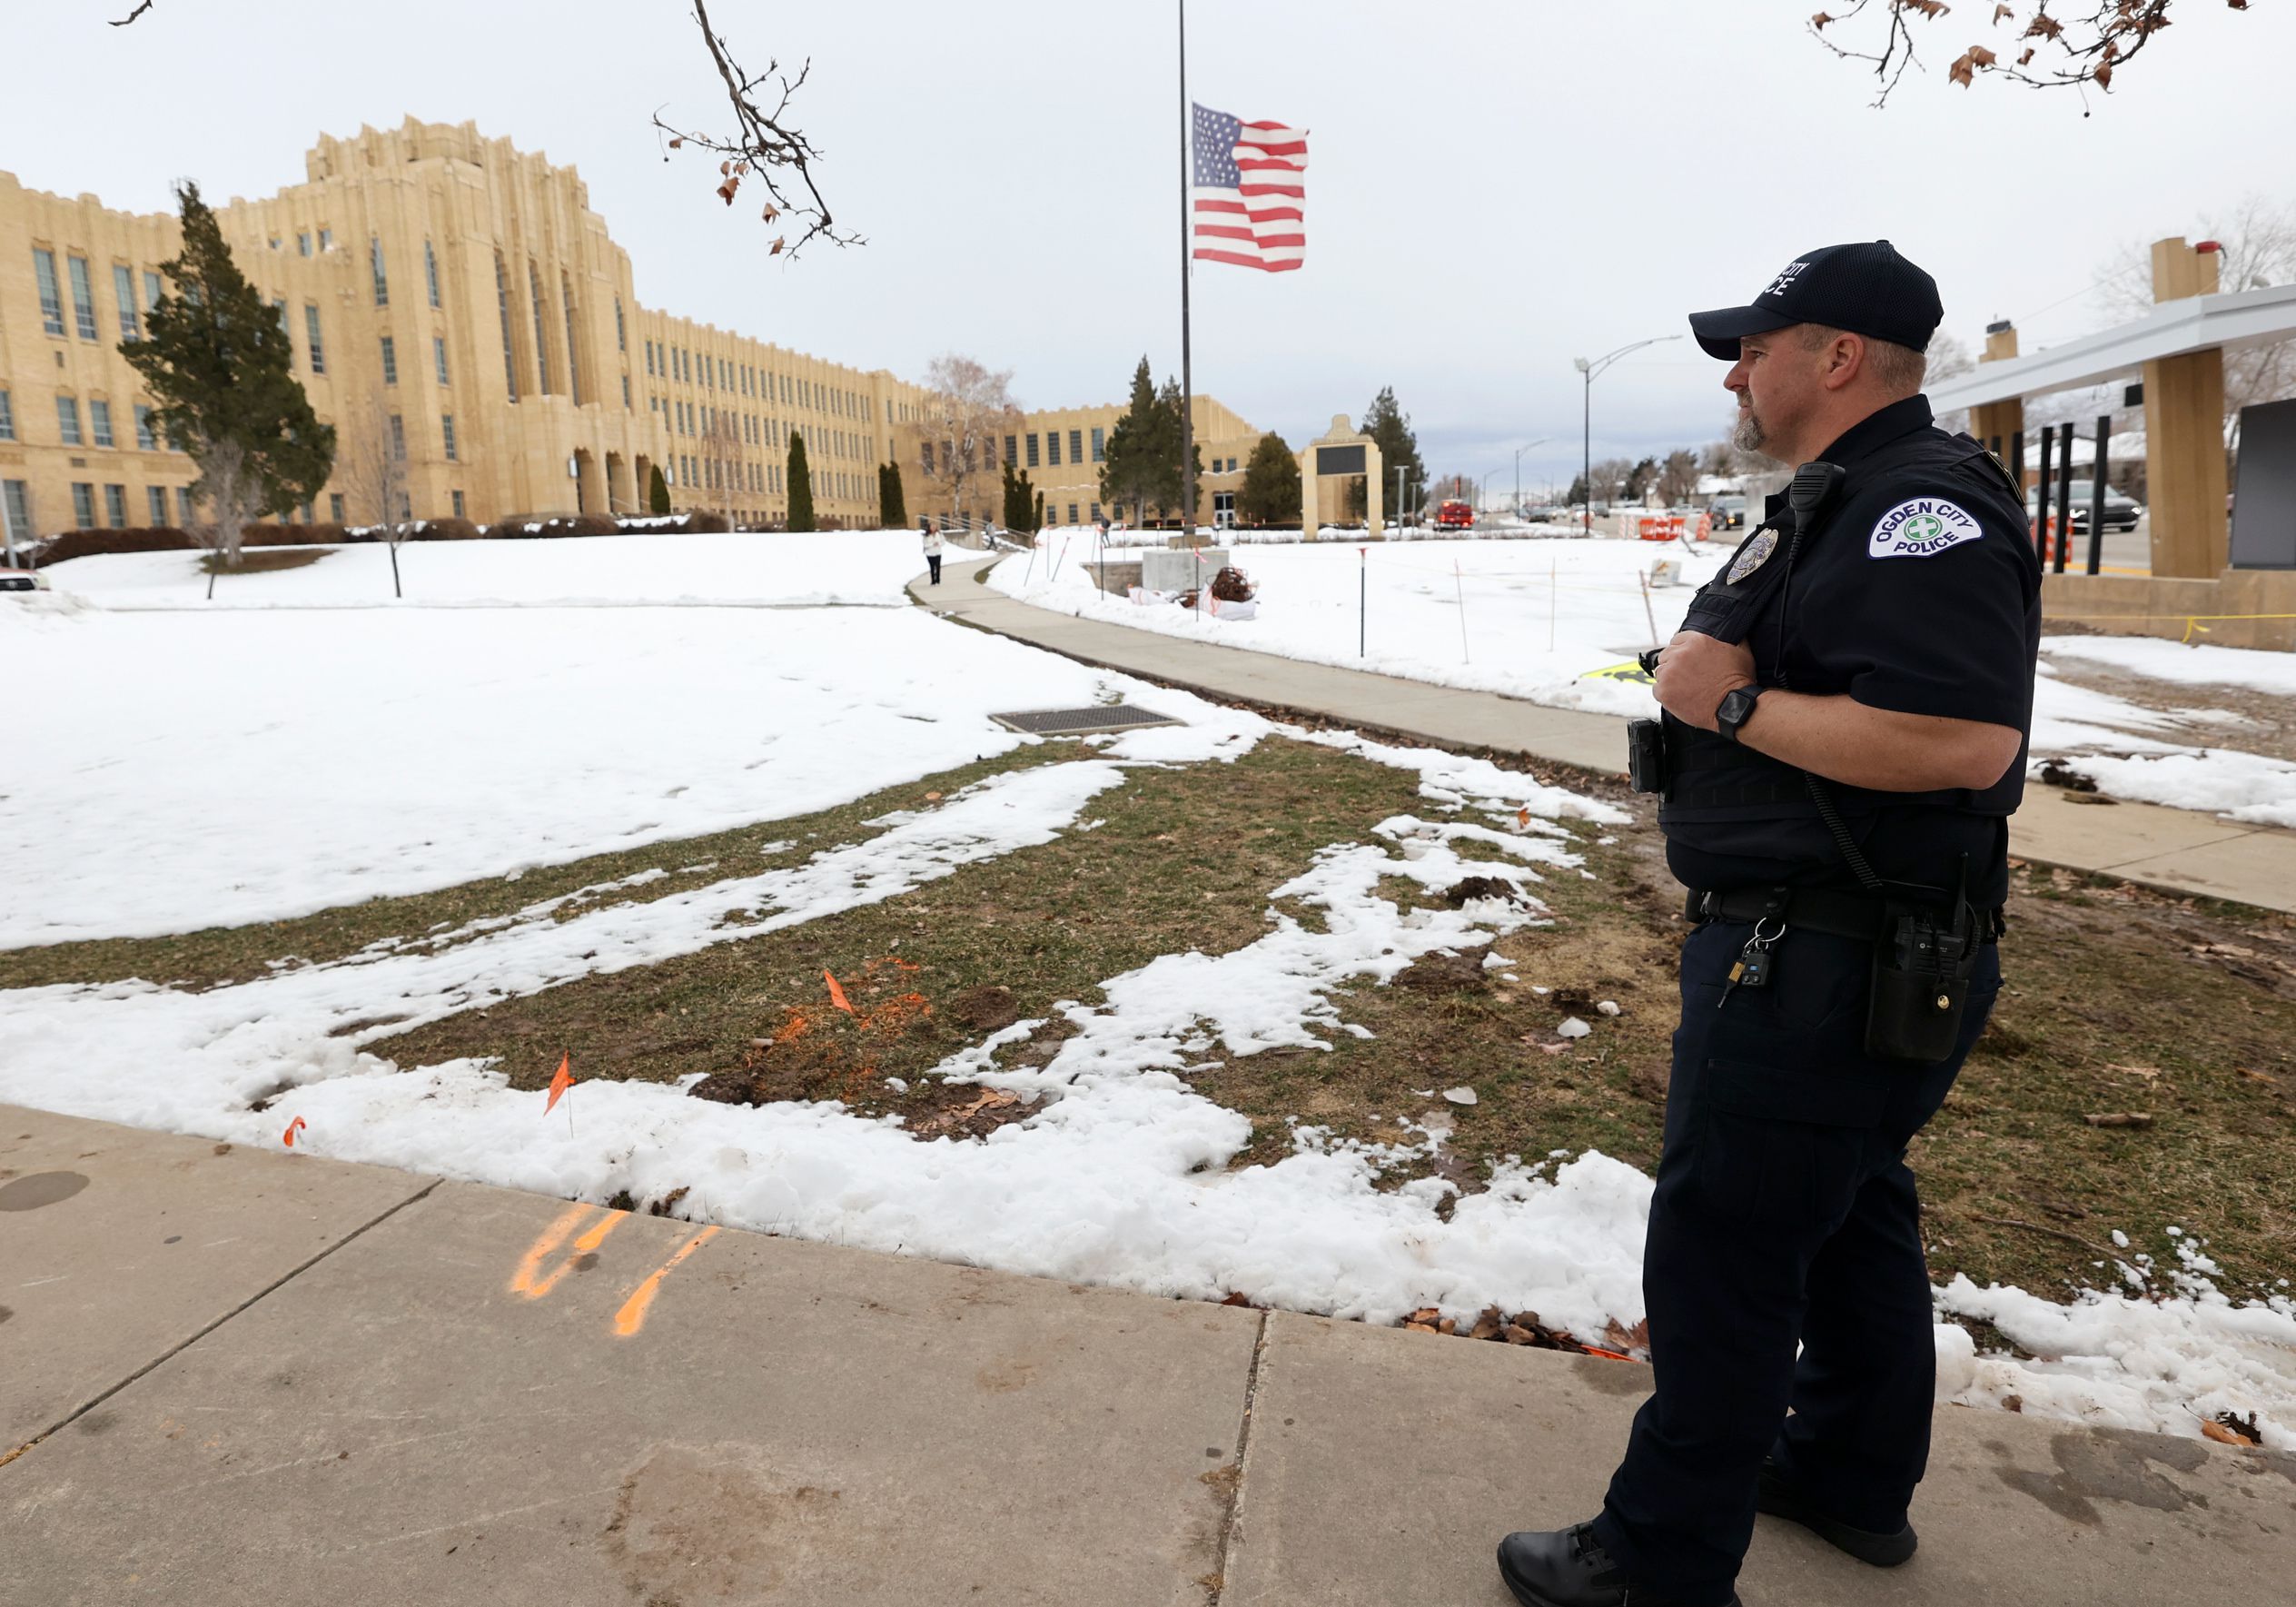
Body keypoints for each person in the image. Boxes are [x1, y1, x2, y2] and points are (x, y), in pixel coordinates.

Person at [1497, 241, 2041, 1607]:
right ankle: (1849, 1475)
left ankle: (1660, 1558)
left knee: (1725, 1255)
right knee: (1847, 1215)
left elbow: (1961, 739)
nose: (1737, 371)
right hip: (1823, 950)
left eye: (1756, 345)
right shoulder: (1844, 497)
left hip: (1820, 957)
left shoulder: (1924, 508)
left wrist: (1724, 707)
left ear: (1838, 356)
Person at [921, 518, 944, 586]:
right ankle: (933, 580)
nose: (934, 528)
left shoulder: (939, 534)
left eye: (935, 526)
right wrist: (932, 544)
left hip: (938, 553)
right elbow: (925, 545)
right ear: (929, 528)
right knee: (932, 567)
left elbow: (943, 542)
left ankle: (938, 579)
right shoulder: (926, 536)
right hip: (930, 554)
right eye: (932, 526)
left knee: (938, 566)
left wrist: (939, 544)